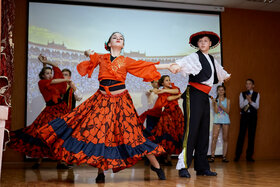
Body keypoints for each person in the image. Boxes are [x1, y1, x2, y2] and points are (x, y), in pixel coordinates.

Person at [36, 32, 172, 183]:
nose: (118, 38)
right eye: (115, 37)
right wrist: (88, 53)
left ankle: (156, 166)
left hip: (121, 102)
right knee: (99, 134)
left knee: (133, 134)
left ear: (123, 44)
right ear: (109, 43)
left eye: (121, 38)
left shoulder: (126, 60)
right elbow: (90, 55)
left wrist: (169, 66)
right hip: (101, 100)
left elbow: (148, 65)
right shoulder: (101, 57)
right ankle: (101, 172)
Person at [170, 31, 231, 178]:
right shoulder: (194, 56)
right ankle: (183, 166)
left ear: (210, 44)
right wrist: (176, 66)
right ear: (197, 44)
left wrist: (226, 76)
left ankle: (202, 167)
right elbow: (181, 63)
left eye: (206, 41)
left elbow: (221, 74)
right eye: (200, 41)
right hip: (194, 94)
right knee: (191, 130)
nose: (203, 43)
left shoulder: (211, 58)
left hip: (205, 96)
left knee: (204, 131)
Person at [8, 54, 71, 169]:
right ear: (42, 76)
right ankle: (39, 161)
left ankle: (60, 162)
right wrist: (66, 79)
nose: (50, 75)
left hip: (61, 110)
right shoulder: (42, 83)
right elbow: (54, 81)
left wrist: (46, 62)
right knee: (42, 134)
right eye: (47, 73)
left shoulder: (54, 82)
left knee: (61, 135)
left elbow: (56, 67)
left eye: (50, 73)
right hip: (50, 111)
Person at [150, 75, 184, 166]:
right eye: (166, 80)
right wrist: (178, 95)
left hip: (177, 113)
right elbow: (169, 98)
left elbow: (177, 91)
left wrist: (165, 90)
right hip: (168, 114)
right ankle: (165, 157)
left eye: (169, 80)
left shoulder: (171, 88)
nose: (169, 82)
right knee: (167, 134)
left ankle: (174, 157)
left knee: (178, 134)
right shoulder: (161, 92)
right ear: (162, 83)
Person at [235, 79, 260, 162]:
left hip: (253, 117)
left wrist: (250, 101)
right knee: (241, 135)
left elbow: (257, 106)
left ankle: (249, 156)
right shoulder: (242, 94)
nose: (248, 85)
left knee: (251, 136)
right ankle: (237, 155)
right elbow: (241, 106)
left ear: (253, 85)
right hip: (244, 117)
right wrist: (247, 99)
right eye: (246, 84)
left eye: (249, 84)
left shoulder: (257, 94)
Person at [209, 85, 230, 163]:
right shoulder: (215, 100)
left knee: (225, 138)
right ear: (217, 91)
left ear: (224, 91)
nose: (221, 91)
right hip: (217, 120)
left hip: (226, 120)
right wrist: (214, 104)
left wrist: (221, 106)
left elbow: (228, 111)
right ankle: (212, 156)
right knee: (214, 137)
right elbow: (216, 111)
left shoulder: (227, 100)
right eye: (219, 90)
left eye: (222, 90)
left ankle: (224, 156)